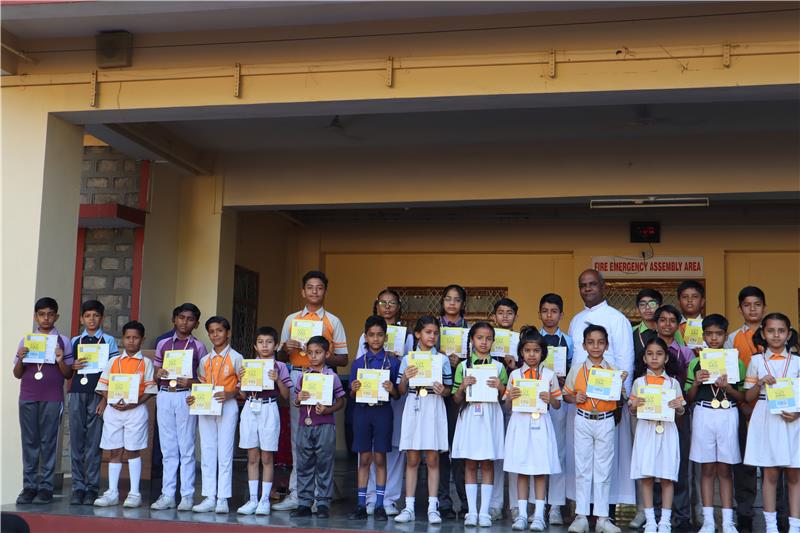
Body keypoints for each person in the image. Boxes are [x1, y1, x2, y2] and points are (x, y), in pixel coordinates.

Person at [275, 270, 348, 511]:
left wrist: (321, 357)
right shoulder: (291, 320)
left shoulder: (333, 321)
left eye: (319, 287)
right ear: (302, 291)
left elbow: (343, 358)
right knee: (299, 437)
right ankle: (298, 494)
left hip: (324, 378)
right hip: (298, 375)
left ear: (325, 291)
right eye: (310, 287)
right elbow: (280, 357)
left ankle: (320, 496)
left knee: (322, 439)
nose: (314, 291)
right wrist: (285, 348)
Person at [567, 270, 635, 524]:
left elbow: (626, 360)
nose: (587, 289)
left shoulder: (617, 319)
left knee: (607, 464)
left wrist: (620, 401)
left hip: (608, 405)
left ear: (603, 286)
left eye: (592, 284)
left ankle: (605, 514)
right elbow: (574, 362)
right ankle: (581, 513)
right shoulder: (576, 320)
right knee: (582, 463)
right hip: (582, 405)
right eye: (583, 285)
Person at [564, 324, 628, 533]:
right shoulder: (577, 369)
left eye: (600, 342)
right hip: (583, 419)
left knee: (603, 469)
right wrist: (575, 397)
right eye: (591, 342)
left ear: (607, 345)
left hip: (605, 420)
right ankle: (581, 516)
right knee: (582, 468)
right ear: (584, 345)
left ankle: (602, 517)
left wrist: (621, 385)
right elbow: (566, 395)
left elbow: (621, 399)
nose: (596, 346)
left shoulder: (613, 371)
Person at [685, 314, 745, 533]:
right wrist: (696, 382)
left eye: (718, 334)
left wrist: (728, 387)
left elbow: (742, 397)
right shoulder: (696, 362)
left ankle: (727, 521)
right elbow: (689, 397)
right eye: (709, 334)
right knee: (707, 468)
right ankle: (708, 520)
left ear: (725, 336)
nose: (713, 338)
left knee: (725, 469)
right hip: (704, 413)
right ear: (703, 335)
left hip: (728, 412)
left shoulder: (735, 361)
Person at [13, 297, 74, 505]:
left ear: (56, 316)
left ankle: (46, 487)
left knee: (49, 442)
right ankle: (29, 487)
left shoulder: (63, 341)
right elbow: (17, 374)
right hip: (28, 396)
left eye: (50, 314)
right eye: (41, 314)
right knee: (29, 442)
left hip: (52, 398)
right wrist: (21, 358)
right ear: (35, 317)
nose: (46, 318)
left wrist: (60, 360)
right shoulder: (26, 340)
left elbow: (68, 374)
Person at [743, 313, 800, 533]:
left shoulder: (797, 362)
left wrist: (798, 412)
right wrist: (759, 384)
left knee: (794, 474)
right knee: (770, 473)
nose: (776, 335)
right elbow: (747, 397)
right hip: (766, 417)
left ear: (789, 334)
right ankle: (771, 527)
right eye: (771, 331)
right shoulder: (757, 361)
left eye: (781, 331)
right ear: (763, 334)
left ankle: (794, 526)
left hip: (792, 419)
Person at [358, 289, 413, 517]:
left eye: (392, 303)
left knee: (395, 447)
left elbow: (411, 364)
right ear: (377, 305)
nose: (387, 306)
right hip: (371, 398)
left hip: (396, 396)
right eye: (383, 302)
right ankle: (370, 497)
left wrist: (396, 360)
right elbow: (359, 365)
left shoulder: (407, 336)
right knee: (370, 450)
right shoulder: (364, 336)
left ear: (399, 307)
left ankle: (389, 499)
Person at [92, 321, 157, 508]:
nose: (131, 341)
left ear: (142, 339)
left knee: (133, 450)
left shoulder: (146, 363)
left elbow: (150, 390)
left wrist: (136, 402)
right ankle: (112, 492)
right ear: (123, 339)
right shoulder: (113, 362)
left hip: (135, 411)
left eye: (135, 338)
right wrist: (110, 400)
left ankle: (134, 493)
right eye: (128, 337)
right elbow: (103, 386)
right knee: (114, 450)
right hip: (114, 410)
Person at [395, 316, 453, 524]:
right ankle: (409, 507)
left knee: (433, 458)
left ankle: (432, 507)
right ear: (418, 334)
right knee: (412, 458)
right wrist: (405, 377)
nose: (432, 336)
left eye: (435, 333)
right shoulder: (408, 359)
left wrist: (442, 390)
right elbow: (401, 390)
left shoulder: (442, 360)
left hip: (434, 405)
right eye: (428, 332)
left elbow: (448, 390)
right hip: (414, 404)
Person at [504, 328, 562, 531]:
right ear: (521, 352)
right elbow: (507, 405)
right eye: (527, 350)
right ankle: (521, 514)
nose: (531, 354)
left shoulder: (549, 375)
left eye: (536, 351)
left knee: (539, 470)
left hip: (541, 425)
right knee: (521, 470)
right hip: (520, 424)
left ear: (542, 353)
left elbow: (558, 405)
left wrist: (550, 399)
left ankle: (538, 515)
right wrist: (510, 398)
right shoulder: (514, 375)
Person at [151, 302, 207, 511]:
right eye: (181, 318)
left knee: (187, 448)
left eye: (190, 319)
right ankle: (167, 495)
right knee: (168, 449)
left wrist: (191, 382)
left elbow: (204, 379)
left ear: (196, 323)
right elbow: (155, 372)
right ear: (174, 319)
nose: (185, 322)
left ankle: (187, 496)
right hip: (165, 394)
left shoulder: (199, 346)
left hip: (186, 396)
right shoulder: (163, 343)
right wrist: (158, 373)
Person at [452, 322, 508, 527]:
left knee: (487, 462)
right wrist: (462, 387)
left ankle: (484, 511)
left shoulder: (499, 367)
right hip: (470, 416)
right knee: (470, 462)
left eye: (488, 338)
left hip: (490, 417)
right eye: (479, 338)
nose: (484, 342)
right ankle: (472, 511)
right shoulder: (463, 366)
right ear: (472, 340)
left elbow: (506, 398)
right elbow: (456, 399)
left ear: (493, 341)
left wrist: (501, 387)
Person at [628, 337, 687, 533]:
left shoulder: (673, 383)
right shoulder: (639, 383)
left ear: (666, 358)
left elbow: (681, 411)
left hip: (667, 431)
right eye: (650, 354)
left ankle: (665, 522)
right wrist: (634, 406)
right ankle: (651, 520)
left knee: (666, 477)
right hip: (646, 431)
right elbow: (632, 410)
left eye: (659, 354)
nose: (654, 358)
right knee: (646, 476)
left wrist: (679, 407)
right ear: (644, 358)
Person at [186, 316, 243, 514]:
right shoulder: (204, 360)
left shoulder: (236, 357)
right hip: (206, 407)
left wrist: (230, 394)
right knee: (208, 451)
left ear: (228, 333)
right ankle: (209, 496)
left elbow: (242, 385)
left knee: (225, 453)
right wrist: (193, 398)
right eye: (212, 331)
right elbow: (201, 385)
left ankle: (222, 499)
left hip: (227, 406)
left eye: (220, 330)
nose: (216, 335)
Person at [647, 304, 695, 530]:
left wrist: (680, 407)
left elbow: (688, 386)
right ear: (656, 323)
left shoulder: (685, 352)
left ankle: (682, 515)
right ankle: (657, 514)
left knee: (679, 464)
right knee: (653, 465)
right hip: (651, 417)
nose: (667, 324)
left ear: (678, 325)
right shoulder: (648, 350)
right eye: (662, 320)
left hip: (678, 415)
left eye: (672, 320)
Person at [348, 316, 401, 521]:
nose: (376, 339)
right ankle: (361, 504)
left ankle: (380, 504)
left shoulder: (392, 362)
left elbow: (398, 395)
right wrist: (354, 389)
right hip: (362, 412)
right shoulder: (358, 363)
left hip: (382, 412)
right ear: (365, 337)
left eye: (379, 335)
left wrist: (392, 388)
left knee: (380, 458)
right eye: (371, 335)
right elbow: (351, 394)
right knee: (364, 458)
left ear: (385, 337)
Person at [236, 326, 292, 516]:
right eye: (260, 342)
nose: (264, 346)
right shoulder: (249, 365)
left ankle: (264, 499)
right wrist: (242, 379)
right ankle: (253, 499)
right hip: (250, 407)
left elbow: (286, 395)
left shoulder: (280, 366)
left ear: (276, 345)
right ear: (255, 346)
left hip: (269, 408)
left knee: (267, 456)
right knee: (252, 456)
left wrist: (277, 380)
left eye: (269, 342)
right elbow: (242, 394)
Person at [68, 299, 119, 506]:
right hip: (77, 393)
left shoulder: (108, 340)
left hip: (98, 395)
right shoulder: (75, 341)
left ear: (102, 318)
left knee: (94, 443)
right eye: (88, 316)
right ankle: (77, 487)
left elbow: (114, 371)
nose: (92, 319)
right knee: (76, 441)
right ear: (82, 319)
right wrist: (72, 365)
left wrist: (106, 399)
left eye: (96, 316)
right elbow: (68, 367)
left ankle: (91, 487)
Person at [289, 336, 346, 519]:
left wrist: (328, 409)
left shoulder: (332, 377)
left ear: (327, 354)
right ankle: (304, 503)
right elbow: (296, 401)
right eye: (310, 353)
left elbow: (341, 401)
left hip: (325, 425)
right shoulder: (303, 377)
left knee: (324, 464)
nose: (313, 356)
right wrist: (299, 399)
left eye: (318, 352)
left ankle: (322, 503)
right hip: (304, 425)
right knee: (304, 464)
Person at [726, 286, 767, 532]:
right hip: (742, 406)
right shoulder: (732, 339)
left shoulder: (774, 334)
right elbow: (730, 375)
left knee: (774, 463)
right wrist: (742, 404)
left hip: (772, 407)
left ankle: (779, 512)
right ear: (740, 308)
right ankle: (745, 513)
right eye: (747, 305)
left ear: (764, 307)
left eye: (757, 304)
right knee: (743, 465)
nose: (752, 309)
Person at [538, 293, 574, 526]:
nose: (549, 315)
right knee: (537, 451)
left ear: (561, 315)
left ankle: (555, 506)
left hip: (558, 399)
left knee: (558, 452)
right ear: (539, 313)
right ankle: (537, 505)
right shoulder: (532, 338)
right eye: (545, 311)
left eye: (554, 311)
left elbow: (573, 369)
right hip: (535, 400)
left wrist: (563, 380)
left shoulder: (569, 342)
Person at [629, 289, 663, 530]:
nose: (648, 308)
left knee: (666, 457)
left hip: (666, 402)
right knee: (641, 456)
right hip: (640, 400)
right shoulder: (631, 334)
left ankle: (668, 511)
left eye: (652, 303)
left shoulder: (669, 330)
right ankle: (643, 509)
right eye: (643, 304)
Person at [439, 284, 470, 519]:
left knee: (460, 450)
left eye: (456, 299)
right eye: (448, 299)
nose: (452, 303)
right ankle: (443, 502)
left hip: (461, 395)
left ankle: (465, 501)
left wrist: (460, 362)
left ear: (462, 303)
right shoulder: (433, 328)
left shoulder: (470, 331)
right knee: (441, 448)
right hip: (437, 394)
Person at [676, 280, 706, 346]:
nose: (689, 300)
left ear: (702, 301)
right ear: (679, 302)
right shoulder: (672, 325)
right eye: (685, 297)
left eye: (695, 296)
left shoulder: (708, 326)